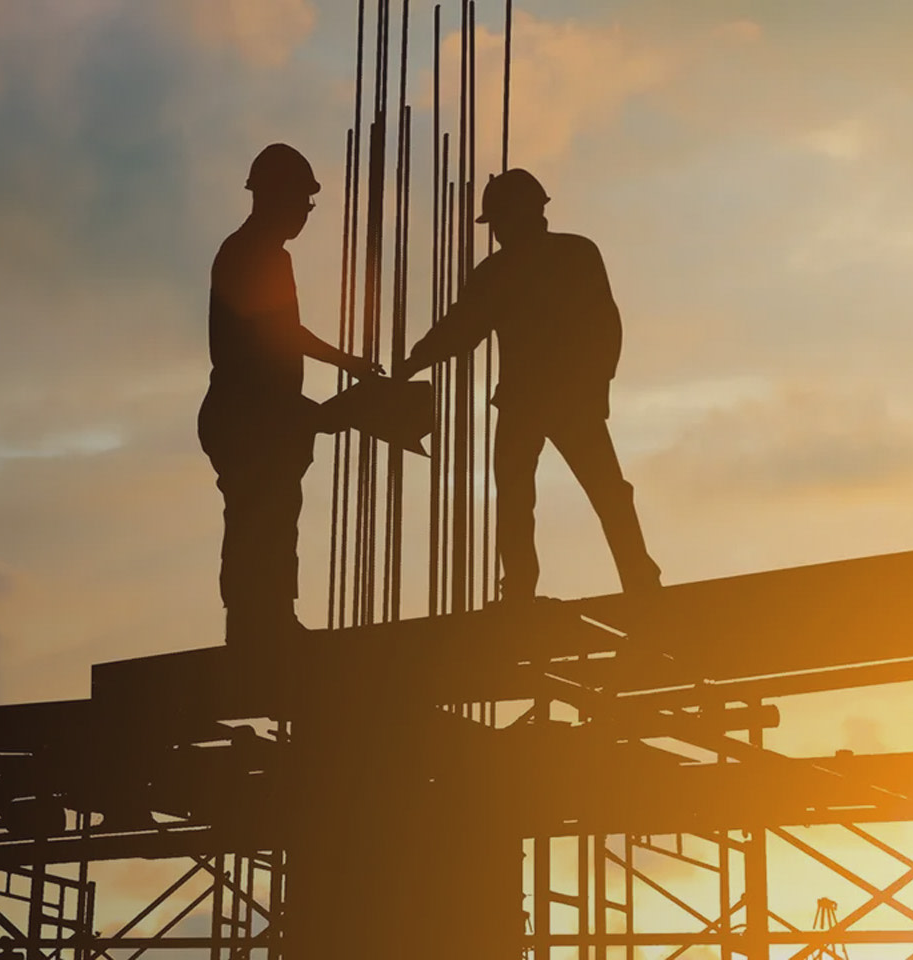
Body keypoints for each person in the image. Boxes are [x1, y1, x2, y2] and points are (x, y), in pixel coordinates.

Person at [399, 168, 662, 603]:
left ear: (520, 213)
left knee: (546, 495)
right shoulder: (562, 255)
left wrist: (413, 361)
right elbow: (462, 328)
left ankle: (536, 587)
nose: (496, 230)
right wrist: (415, 360)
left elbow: (601, 325)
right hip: (549, 399)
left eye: (498, 220)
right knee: (564, 494)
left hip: (550, 398)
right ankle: (631, 579)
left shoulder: (531, 263)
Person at [203, 143, 385, 646]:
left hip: (257, 416)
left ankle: (264, 622)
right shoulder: (255, 255)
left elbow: (283, 333)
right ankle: (257, 626)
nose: (306, 213)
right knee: (260, 519)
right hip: (248, 418)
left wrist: (343, 370)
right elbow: (274, 339)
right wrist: (319, 399)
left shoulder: (257, 253)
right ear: (275, 197)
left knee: (270, 517)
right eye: (303, 202)